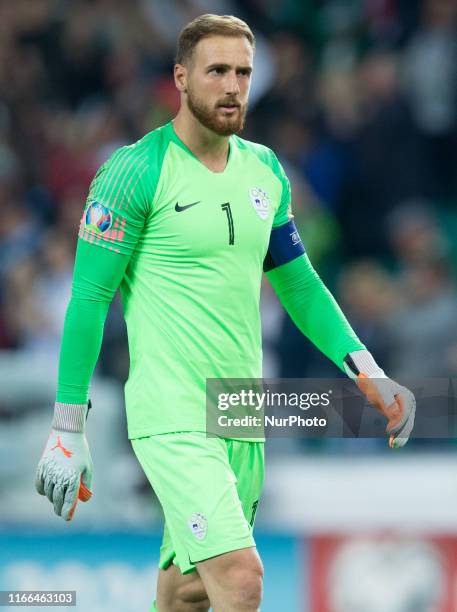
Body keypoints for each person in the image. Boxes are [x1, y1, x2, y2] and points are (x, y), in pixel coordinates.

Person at [35, 14, 415, 612]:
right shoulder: (134, 172)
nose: (233, 85)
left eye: (243, 72)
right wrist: (66, 425)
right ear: (182, 78)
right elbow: (88, 298)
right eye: (218, 71)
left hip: (240, 409)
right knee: (241, 579)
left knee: (187, 593)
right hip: (173, 412)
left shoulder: (265, 171)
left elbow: (300, 286)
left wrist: (366, 371)